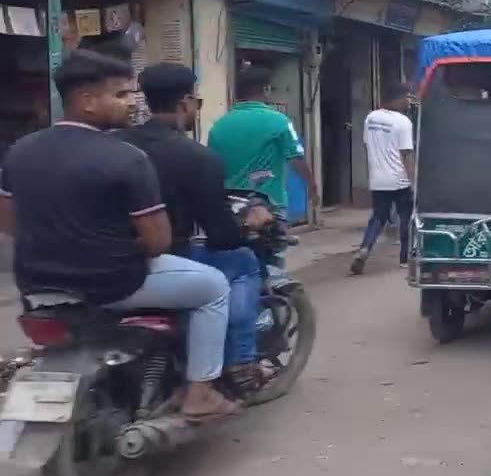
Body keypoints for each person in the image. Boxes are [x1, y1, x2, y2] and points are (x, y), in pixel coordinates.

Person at [0, 51, 238, 419]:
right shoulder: (126, 158)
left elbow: (10, 223)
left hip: (36, 284)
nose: (132, 104)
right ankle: (201, 392)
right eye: (122, 95)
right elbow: (158, 242)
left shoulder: (20, 150)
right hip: (112, 284)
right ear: (87, 101)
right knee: (214, 286)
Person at [118, 63, 275, 395]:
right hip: (162, 259)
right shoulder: (197, 157)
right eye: (198, 102)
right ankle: (241, 362)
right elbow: (221, 236)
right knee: (243, 261)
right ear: (185, 102)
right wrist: (248, 224)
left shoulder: (116, 145)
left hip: (109, 256)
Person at [208, 66, 318, 214]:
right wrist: (312, 187)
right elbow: (296, 159)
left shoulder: (218, 126)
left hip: (232, 207)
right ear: (266, 89)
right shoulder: (279, 121)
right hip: (268, 207)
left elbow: (212, 168)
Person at [351, 82, 416, 275]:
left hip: (378, 179)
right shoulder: (403, 122)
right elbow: (406, 155)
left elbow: (367, 144)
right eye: (406, 98)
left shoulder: (370, 118)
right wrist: (413, 181)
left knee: (378, 217)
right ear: (398, 98)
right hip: (399, 178)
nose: (408, 102)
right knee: (406, 217)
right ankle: (405, 258)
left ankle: (364, 248)